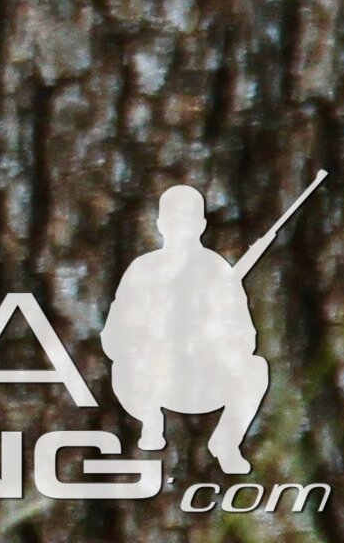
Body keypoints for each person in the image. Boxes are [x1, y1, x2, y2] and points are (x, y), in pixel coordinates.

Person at [110, 184, 269, 475]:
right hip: (153, 382)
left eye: (189, 220)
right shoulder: (142, 270)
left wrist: (213, 331)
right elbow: (114, 337)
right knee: (126, 365)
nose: (181, 228)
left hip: (204, 380)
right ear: (160, 224)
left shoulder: (219, 271)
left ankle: (227, 441)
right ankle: (150, 423)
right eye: (174, 220)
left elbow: (246, 338)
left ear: (201, 225)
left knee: (255, 370)